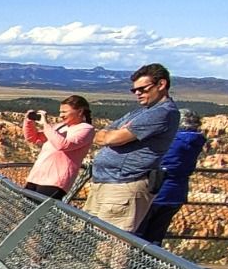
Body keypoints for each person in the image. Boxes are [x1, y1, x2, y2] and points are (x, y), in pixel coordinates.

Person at [85, 63, 181, 233]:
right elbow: (101, 136)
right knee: (89, 237)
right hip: (108, 184)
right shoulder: (141, 112)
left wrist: (112, 136)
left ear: (161, 84)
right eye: (134, 90)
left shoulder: (162, 112)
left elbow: (110, 137)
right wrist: (111, 135)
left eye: (142, 89)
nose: (137, 93)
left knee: (110, 242)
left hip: (123, 187)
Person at [134, 109, 206, 245]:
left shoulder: (172, 141)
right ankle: (153, 257)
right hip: (177, 194)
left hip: (157, 191)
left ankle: (135, 259)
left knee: (138, 234)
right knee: (156, 235)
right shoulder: (196, 141)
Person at [22, 95, 95, 200]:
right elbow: (33, 138)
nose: (61, 115)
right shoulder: (61, 126)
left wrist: (45, 124)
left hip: (55, 181)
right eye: (60, 112)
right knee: (25, 208)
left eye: (64, 112)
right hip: (36, 177)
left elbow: (63, 145)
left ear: (80, 111)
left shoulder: (86, 129)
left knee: (40, 210)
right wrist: (29, 122)